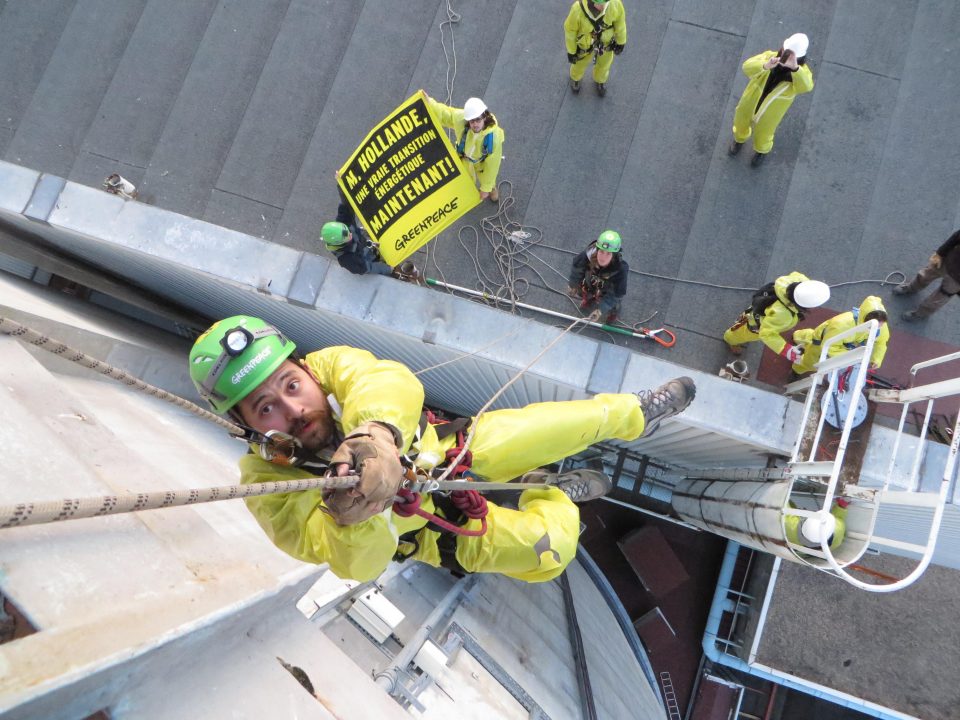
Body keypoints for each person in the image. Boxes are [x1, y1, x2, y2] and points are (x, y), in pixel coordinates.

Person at [188, 315, 696, 583]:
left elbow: (387, 380)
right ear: (247, 426)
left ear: (303, 368)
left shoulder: (331, 366)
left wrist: (377, 435)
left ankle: (637, 412)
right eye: (265, 408)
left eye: (290, 385)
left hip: (447, 450)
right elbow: (353, 565)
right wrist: (352, 518)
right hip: (429, 530)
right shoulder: (267, 487)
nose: (293, 409)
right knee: (551, 551)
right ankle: (553, 494)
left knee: (567, 421)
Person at [729, 33, 814, 166]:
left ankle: (761, 151)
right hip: (749, 103)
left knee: (764, 134)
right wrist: (765, 66)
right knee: (740, 122)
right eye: (786, 52)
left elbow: (807, 86)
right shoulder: (770, 57)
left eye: (793, 55)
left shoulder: (801, 72)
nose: (786, 56)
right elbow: (746, 66)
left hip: (771, 114)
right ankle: (739, 140)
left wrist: (795, 69)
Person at [723, 271, 830, 363]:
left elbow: (795, 274)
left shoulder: (798, 280)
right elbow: (766, 333)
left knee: (745, 320)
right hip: (756, 324)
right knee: (741, 333)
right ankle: (730, 340)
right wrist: (785, 349)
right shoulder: (784, 315)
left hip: (763, 305)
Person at [424, 93, 504, 203]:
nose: (475, 124)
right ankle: (470, 192)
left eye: (478, 120)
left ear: (484, 117)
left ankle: (492, 189)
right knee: (466, 179)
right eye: (472, 121)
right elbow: (446, 114)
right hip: (464, 158)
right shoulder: (462, 120)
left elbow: (492, 166)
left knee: (487, 178)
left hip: (481, 163)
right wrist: (430, 103)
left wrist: (485, 188)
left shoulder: (493, 138)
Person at [790, 296, 889, 375]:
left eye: (881, 325)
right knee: (810, 362)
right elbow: (829, 347)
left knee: (809, 337)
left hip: (831, 338)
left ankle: (797, 336)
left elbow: (880, 343)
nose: (878, 328)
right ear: (865, 320)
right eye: (874, 327)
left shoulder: (879, 325)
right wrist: (852, 358)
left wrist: (876, 359)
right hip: (823, 342)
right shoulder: (842, 324)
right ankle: (796, 370)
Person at [320, 190, 393, 276]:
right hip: (372, 261)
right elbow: (368, 267)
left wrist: (341, 181)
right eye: (347, 237)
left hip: (370, 248)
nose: (350, 235)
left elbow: (346, 202)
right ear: (339, 244)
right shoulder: (348, 260)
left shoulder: (344, 222)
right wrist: (388, 269)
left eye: (348, 232)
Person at [564, 0, 627, 97]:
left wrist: (621, 42)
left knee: (604, 64)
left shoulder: (615, 4)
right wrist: (571, 51)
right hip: (585, 45)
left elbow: (620, 24)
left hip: (606, 43)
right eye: (600, 3)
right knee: (579, 63)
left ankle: (600, 80)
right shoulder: (577, 10)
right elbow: (570, 31)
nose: (603, 6)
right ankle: (575, 78)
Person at [894, 228, 960, 321]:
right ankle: (912, 288)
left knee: (940, 297)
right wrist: (940, 253)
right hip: (949, 260)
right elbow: (957, 236)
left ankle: (921, 313)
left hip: (957, 280)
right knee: (926, 274)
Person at [567, 230, 628, 324]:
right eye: (602, 251)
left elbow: (615, 295)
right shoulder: (586, 256)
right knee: (585, 292)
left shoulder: (620, 270)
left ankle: (612, 314)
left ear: (614, 255)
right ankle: (588, 300)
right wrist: (573, 285)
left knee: (614, 305)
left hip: (607, 291)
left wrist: (600, 310)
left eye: (608, 253)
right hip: (590, 284)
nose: (603, 257)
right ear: (597, 249)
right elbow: (576, 270)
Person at [784, 499, 849, 553]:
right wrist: (841, 506)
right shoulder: (839, 530)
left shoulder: (790, 524)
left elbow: (782, 502)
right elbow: (838, 516)